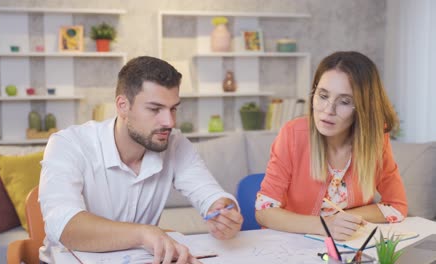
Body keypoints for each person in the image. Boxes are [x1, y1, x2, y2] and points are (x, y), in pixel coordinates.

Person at [38, 56, 243, 264]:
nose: (169, 122)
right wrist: (144, 234)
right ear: (123, 106)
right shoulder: (68, 144)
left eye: (173, 108)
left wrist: (221, 211)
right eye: (155, 109)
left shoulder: (175, 143)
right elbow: (66, 227)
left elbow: (210, 195)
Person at [255, 51, 407, 240]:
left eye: (344, 101)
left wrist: (343, 219)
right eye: (323, 95)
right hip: (291, 245)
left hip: (347, 247)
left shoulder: (375, 138)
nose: (328, 110)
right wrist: (325, 225)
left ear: (364, 108)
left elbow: (396, 206)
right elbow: (264, 211)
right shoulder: (293, 134)